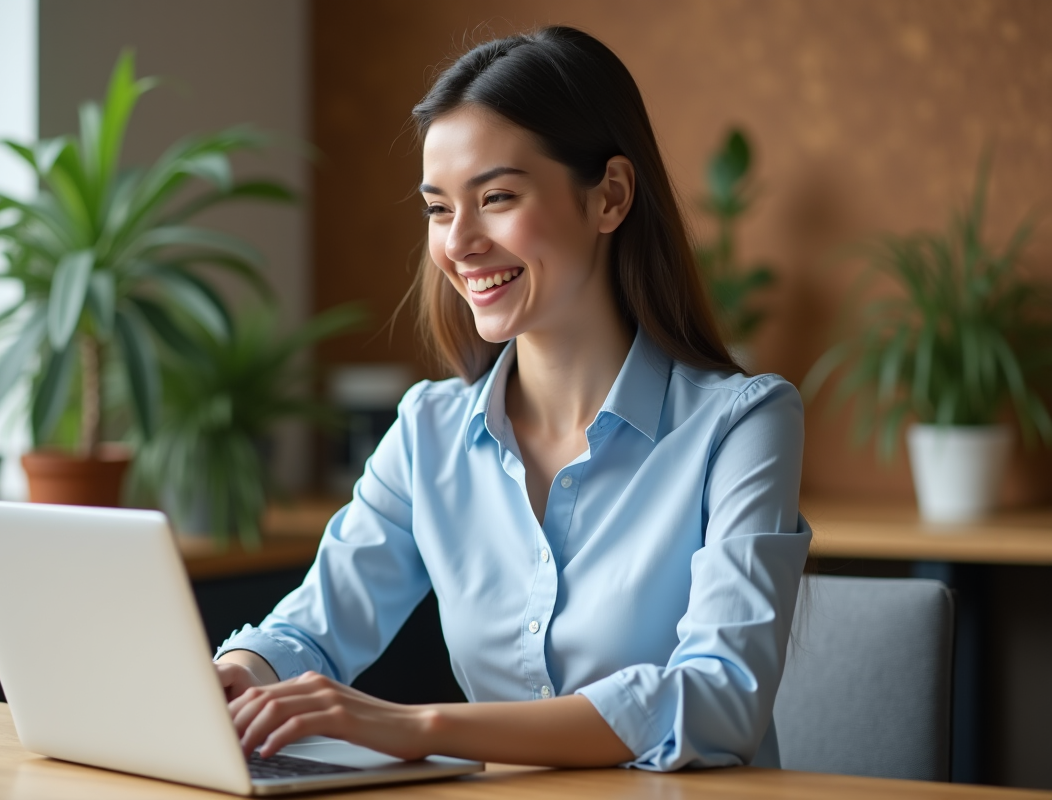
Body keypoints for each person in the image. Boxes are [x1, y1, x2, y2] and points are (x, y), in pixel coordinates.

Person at [214, 25, 809, 771]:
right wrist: (241, 672)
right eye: (438, 208)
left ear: (610, 198)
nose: (458, 242)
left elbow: (716, 701)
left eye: (495, 197)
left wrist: (424, 728)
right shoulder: (428, 431)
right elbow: (312, 629)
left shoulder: (744, 424)